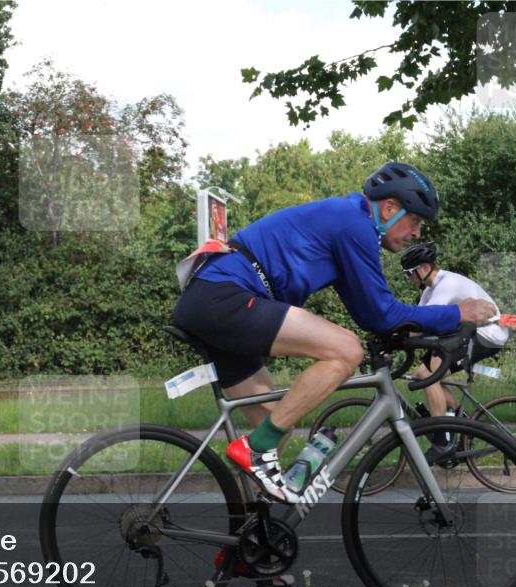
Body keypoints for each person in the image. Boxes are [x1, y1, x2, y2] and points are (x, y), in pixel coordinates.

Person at [172, 162, 496, 504]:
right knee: (345, 350)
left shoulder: (347, 222)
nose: (417, 233)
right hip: (224, 296)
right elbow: (382, 314)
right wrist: (457, 313)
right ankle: (256, 451)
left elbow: (370, 315)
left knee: (277, 424)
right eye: (415, 221)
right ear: (389, 208)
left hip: (216, 300)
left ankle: (250, 529)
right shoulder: (353, 223)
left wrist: (398, 335)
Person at [398, 242, 509, 461]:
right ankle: (463, 422)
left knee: (428, 376)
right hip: (469, 333)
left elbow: (426, 324)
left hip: (488, 335)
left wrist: (399, 340)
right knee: (424, 375)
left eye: (408, 274)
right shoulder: (430, 290)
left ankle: (441, 443)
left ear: (423, 268)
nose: (408, 279)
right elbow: (415, 323)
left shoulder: (447, 284)